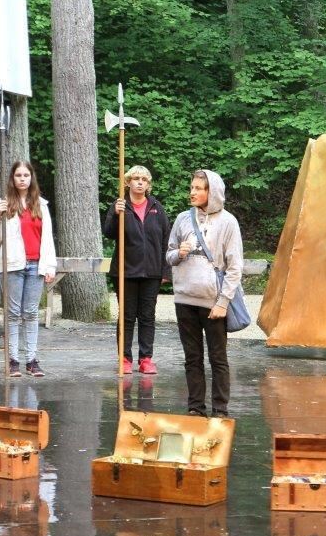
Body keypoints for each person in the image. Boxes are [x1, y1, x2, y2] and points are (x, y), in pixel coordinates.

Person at [166, 170, 243, 418]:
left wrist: (222, 302)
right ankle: (195, 409)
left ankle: (220, 411)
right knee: (192, 358)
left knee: (218, 359)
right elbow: (168, 256)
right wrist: (179, 253)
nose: (193, 192)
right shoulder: (182, 219)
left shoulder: (228, 222)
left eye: (199, 188)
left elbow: (234, 268)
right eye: (192, 187)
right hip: (184, 299)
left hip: (213, 302)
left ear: (213, 191)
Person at [0, 161, 57, 378]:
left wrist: (50, 265)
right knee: (13, 314)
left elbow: (47, 239)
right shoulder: (4, 204)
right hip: (12, 265)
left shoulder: (41, 205)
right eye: (18, 175)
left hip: (35, 264)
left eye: (26, 175)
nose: (22, 179)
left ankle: (32, 360)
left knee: (30, 313)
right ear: (12, 178)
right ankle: (13, 360)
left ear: (31, 178)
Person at [102, 165, 172, 375]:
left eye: (144, 179)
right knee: (127, 316)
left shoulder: (157, 208)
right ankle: (124, 358)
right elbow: (109, 233)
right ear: (128, 182)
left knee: (148, 316)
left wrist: (165, 271)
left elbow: (166, 239)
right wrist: (116, 215)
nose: (140, 182)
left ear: (148, 184)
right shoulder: (120, 205)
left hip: (151, 272)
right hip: (125, 271)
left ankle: (146, 358)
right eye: (136, 178)